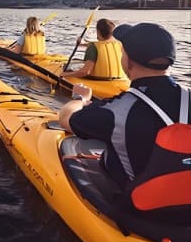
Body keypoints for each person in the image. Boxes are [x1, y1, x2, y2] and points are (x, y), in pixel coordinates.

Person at [59, 23, 190, 221]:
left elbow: (65, 119)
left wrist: (80, 98)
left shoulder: (117, 109)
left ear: (127, 60)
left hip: (142, 209)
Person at [60, 18, 125, 80]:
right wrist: (82, 44)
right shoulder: (119, 44)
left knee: (67, 67)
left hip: (97, 78)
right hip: (118, 78)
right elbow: (102, 45)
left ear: (98, 32)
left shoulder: (93, 47)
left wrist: (65, 74)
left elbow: (85, 72)